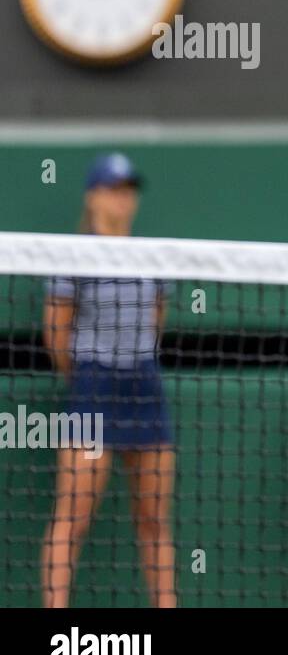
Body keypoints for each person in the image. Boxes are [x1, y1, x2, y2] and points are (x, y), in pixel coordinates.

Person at [41, 153, 177, 608]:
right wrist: (86, 377)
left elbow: (156, 320)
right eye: (114, 189)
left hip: (144, 388)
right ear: (94, 195)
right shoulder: (74, 257)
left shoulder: (151, 259)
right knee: (73, 515)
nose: (123, 199)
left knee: (154, 520)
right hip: (93, 391)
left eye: (128, 190)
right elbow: (57, 331)